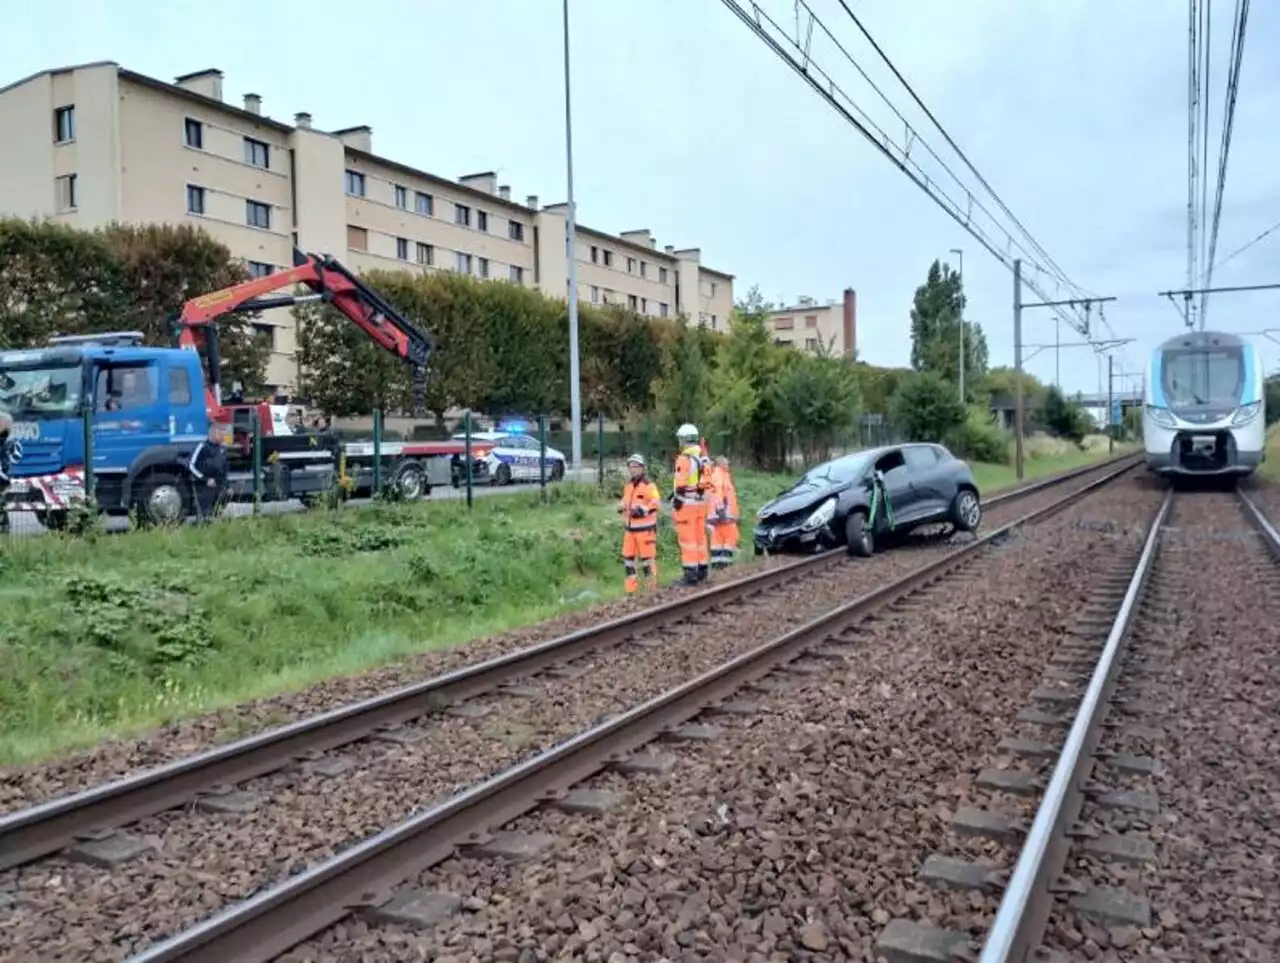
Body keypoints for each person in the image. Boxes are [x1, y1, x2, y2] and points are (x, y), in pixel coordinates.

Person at [672, 423, 710, 585]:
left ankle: (690, 575)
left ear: (684, 440)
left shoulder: (684, 458)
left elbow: (681, 484)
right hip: (700, 504)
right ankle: (702, 570)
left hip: (686, 505)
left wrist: (676, 503)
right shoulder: (703, 456)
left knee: (687, 540)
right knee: (699, 538)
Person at [617, 453, 660, 593]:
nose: (633, 469)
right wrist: (621, 506)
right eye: (631, 466)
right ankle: (631, 591)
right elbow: (625, 500)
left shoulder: (649, 485)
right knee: (628, 561)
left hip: (645, 530)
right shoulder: (629, 485)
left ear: (642, 468)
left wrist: (642, 510)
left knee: (647, 560)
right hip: (630, 530)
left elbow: (655, 503)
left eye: (635, 466)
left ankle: (651, 590)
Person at [187, 421, 229, 522]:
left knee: (226, 495)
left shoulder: (223, 449)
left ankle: (215, 516)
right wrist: (204, 479)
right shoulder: (202, 447)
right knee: (205, 505)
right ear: (213, 433)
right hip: (203, 483)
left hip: (218, 482)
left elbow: (225, 468)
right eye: (221, 433)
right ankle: (204, 520)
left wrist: (227, 485)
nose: (223, 436)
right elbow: (191, 465)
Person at [706, 455, 740, 570]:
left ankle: (717, 565)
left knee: (717, 540)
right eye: (726, 463)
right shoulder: (720, 476)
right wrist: (721, 510)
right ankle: (725, 565)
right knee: (731, 536)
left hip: (717, 516)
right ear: (721, 464)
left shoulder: (717, 475)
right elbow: (718, 493)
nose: (728, 465)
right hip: (723, 515)